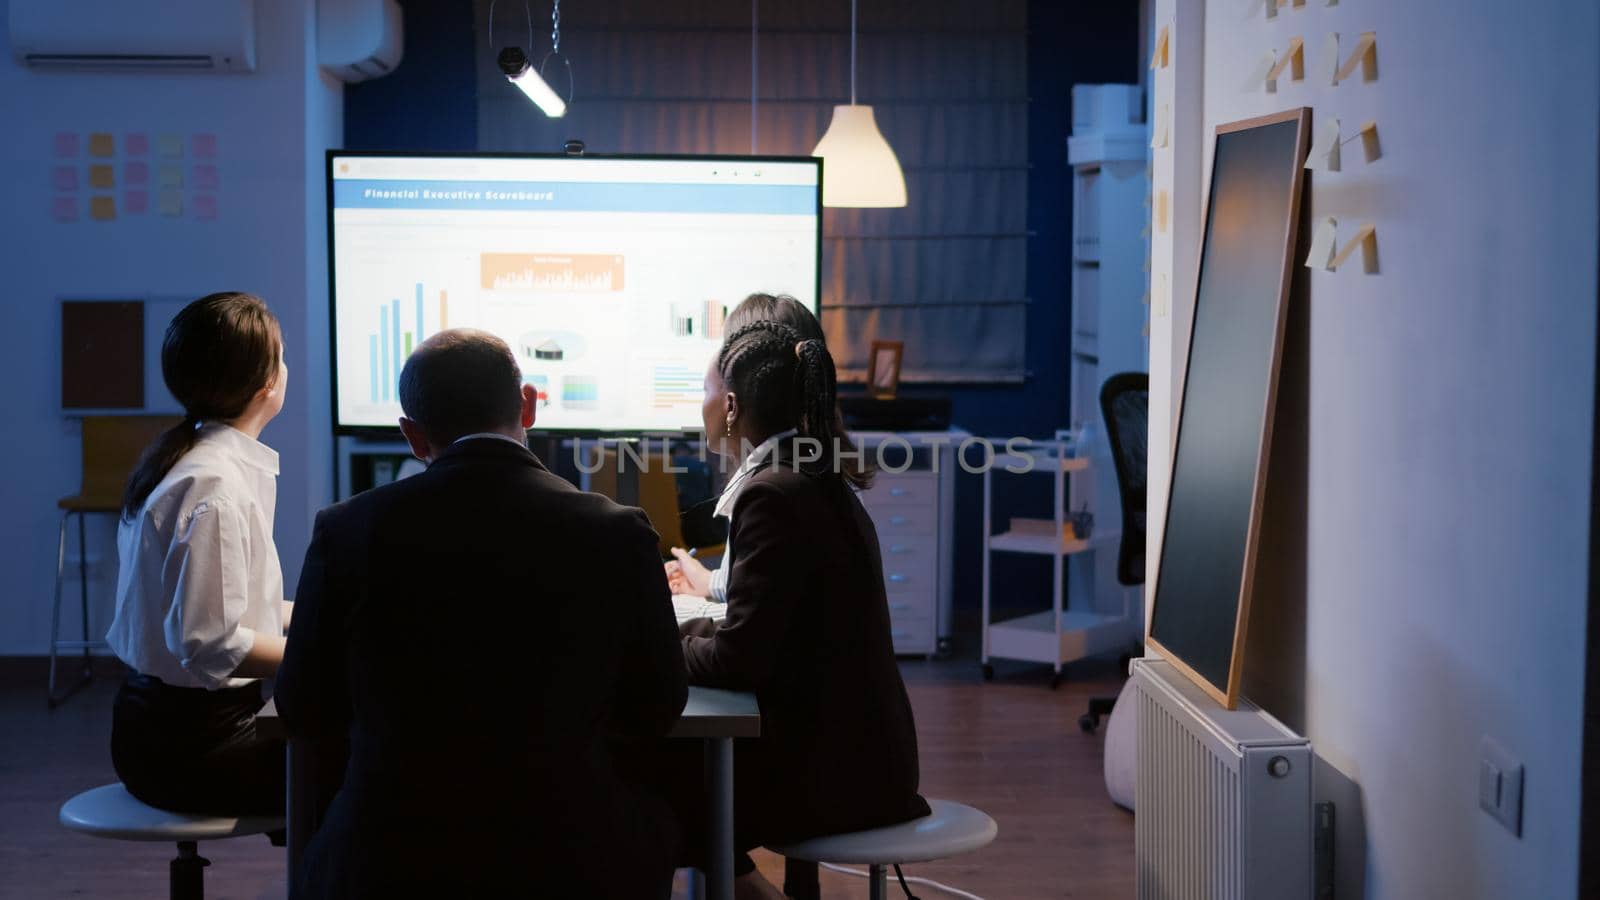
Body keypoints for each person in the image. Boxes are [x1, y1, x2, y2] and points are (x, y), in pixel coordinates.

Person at [277, 328, 687, 899]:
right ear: (529, 405)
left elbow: (302, 709)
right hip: (572, 861)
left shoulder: (347, 530)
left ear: (413, 436)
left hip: (390, 864)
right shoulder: (617, 532)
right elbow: (658, 705)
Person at [646, 319, 931, 900]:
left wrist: (658, 641)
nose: (697, 407)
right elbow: (758, 628)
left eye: (703, 392)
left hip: (834, 779)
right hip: (864, 761)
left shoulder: (771, 493)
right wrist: (687, 627)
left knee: (649, 775)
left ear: (730, 406)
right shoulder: (811, 477)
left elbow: (738, 658)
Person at [105, 291, 291, 816]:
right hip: (193, 749)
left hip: (158, 730)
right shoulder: (214, 488)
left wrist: (325, 616)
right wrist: (327, 650)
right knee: (364, 762)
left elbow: (228, 607)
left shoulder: (190, 461)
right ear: (267, 384)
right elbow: (211, 641)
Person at [664, 292, 827, 600]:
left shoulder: (773, 490)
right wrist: (708, 583)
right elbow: (760, 588)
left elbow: (748, 635)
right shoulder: (810, 465)